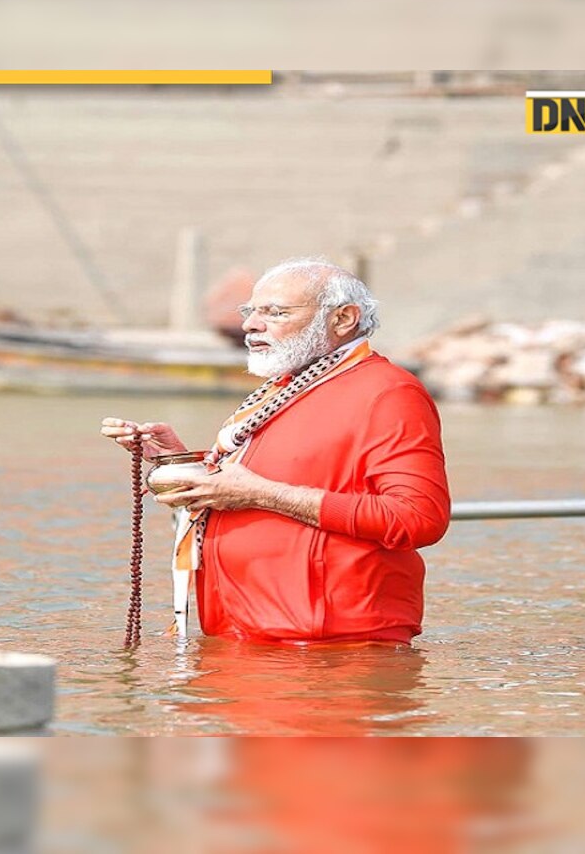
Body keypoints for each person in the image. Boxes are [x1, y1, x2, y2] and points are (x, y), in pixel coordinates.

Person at [101, 259, 451, 644]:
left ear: (343, 318)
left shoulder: (388, 392)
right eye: (251, 311)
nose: (251, 324)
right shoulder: (287, 385)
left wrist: (263, 495)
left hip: (329, 647)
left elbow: (419, 518)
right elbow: (254, 481)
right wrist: (178, 463)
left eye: (275, 312)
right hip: (240, 631)